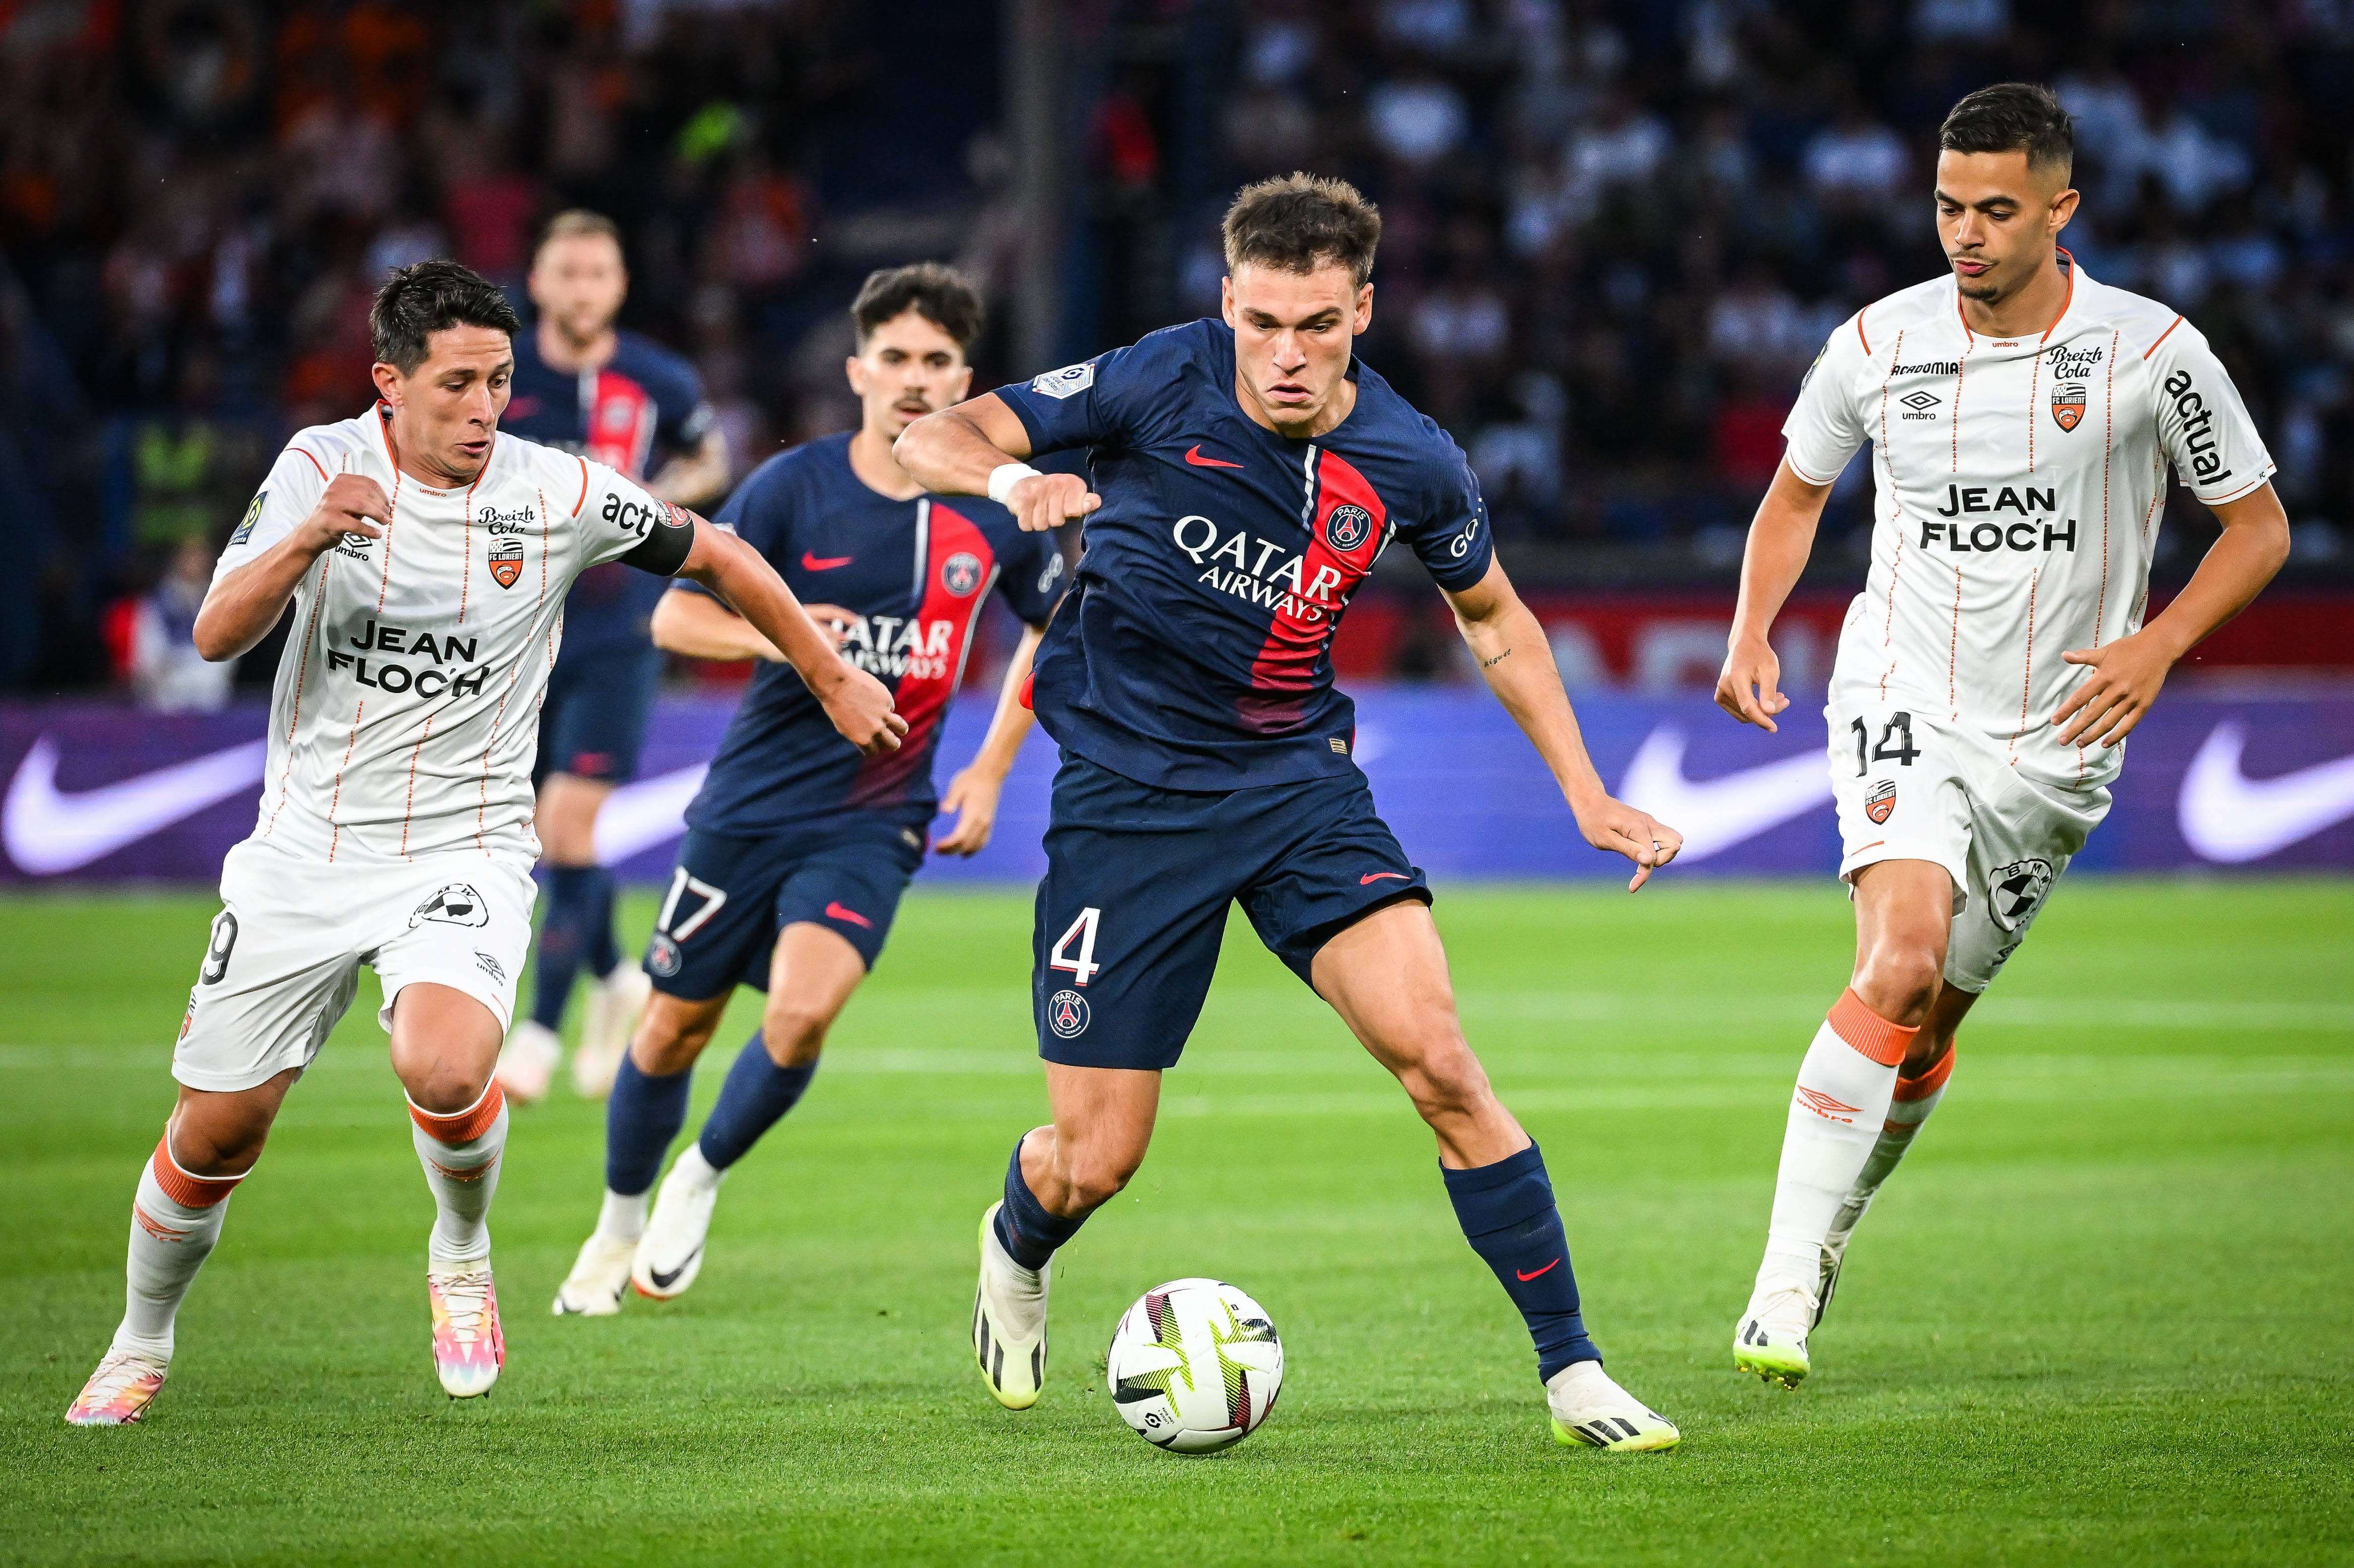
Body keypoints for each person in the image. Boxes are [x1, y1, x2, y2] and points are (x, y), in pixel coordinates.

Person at [896, 173, 1688, 1453]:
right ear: (1226, 302)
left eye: (1316, 323)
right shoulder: (1158, 375)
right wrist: (1009, 486)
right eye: (1262, 320)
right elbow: (929, 436)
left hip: (1294, 789)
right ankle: (1016, 1237)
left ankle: (1574, 1373)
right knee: (1094, 1158)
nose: (1285, 352)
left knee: (1440, 1060)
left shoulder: (1413, 460)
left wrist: (1587, 793)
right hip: (1129, 801)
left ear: (1362, 310)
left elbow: (1494, 617)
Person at [64, 261, 901, 1426]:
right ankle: (138, 1338)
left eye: (499, 383)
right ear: (388, 384)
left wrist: (824, 668)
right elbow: (213, 631)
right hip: (306, 850)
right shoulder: (320, 465)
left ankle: (460, 1250)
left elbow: (713, 550)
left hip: (464, 846)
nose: (482, 409)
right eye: (456, 385)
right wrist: (306, 540)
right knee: (218, 1127)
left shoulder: (553, 491)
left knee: (449, 1068)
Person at [1715, 84, 2289, 1388]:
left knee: (1923, 1029)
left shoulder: (2149, 355)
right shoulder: (1873, 342)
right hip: (1901, 688)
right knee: (1896, 964)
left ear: (2056, 211)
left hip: (2057, 742)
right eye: (1942, 206)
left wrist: (2156, 644)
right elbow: (1793, 497)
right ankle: (1781, 1276)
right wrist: (1752, 629)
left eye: (1990, 210)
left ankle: (1833, 1225)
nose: (1960, 233)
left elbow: (2256, 529)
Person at [553, 263, 1064, 1312]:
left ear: (965, 377)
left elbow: (1052, 633)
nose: (914, 379)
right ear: (858, 370)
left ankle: (696, 1180)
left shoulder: (998, 510)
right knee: (670, 1032)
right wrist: (786, 645)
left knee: (799, 1016)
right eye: (896, 358)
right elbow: (673, 618)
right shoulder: (793, 488)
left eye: (936, 361)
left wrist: (989, 766)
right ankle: (613, 1226)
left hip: (876, 815)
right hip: (751, 804)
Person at [494, 211, 732, 1106]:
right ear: (542, 283)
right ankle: (619, 979)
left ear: (619, 287)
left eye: (599, 272)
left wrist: (650, 503)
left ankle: (540, 1037)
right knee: (544, 834)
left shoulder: (656, 378)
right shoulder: (502, 376)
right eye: (568, 272)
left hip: (619, 634)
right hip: (515, 633)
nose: (584, 287)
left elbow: (711, 456)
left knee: (570, 829)